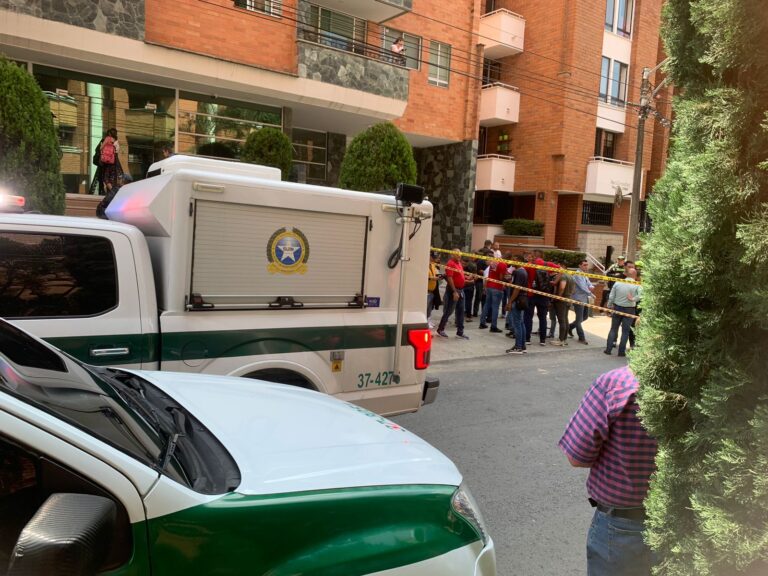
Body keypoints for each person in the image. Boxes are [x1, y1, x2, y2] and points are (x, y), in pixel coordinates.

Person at [559, 366, 657, 575]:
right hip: (682, 521)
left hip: (620, 526)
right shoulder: (707, 383)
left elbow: (576, 456)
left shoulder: (616, 384)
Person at [604, 262, 640, 357]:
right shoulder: (637, 285)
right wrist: (633, 299)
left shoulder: (618, 282)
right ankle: (621, 352)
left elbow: (611, 296)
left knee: (613, 329)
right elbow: (640, 296)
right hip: (629, 309)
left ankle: (608, 349)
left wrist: (609, 305)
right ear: (635, 275)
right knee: (625, 331)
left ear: (627, 274)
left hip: (617, 307)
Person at [436, 249, 469, 339]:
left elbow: (459, 275)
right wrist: (454, 291)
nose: (459, 256)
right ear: (452, 255)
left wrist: (465, 278)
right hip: (453, 291)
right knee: (448, 311)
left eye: (460, 254)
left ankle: (460, 331)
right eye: (457, 255)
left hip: (461, 290)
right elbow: (450, 278)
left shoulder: (458, 263)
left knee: (461, 311)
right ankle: (440, 329)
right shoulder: (450, 264)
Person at [478, 253, 508, 333]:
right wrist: (506, 279)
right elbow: (501, 277)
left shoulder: (493, 262)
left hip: (490, 286)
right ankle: (493, 326)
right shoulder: (503, 264)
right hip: (497, 287)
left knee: (487, 305)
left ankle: (482, 323)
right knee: (495, 307)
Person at [568, 259, 595, 344]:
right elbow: (583, 287)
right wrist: (591, 293)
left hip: (585, 298)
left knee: (585, 317)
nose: (586, 266)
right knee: (579, 319)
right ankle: (581, 337)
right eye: (584, 265)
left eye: (587, 265)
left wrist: (591, 286)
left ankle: (570, 327)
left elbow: (589, 283)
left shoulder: (584, 274)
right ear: (579, 266)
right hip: (578, 299)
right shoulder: (577, 274)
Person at [504, 262, 528, 354]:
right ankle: (522, 346)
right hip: (521, 300)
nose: (512, 262)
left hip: (517, 300)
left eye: (515, 260)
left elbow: (516, 288)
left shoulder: (517, 272)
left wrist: (510, 302)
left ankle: (518, 347)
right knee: (521, 323)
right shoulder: (524, 271)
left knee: (517, 324)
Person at [550, 264, 575, 346]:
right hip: (568, 298)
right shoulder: (570, 276)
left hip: (562, 300)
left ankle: (561, 340)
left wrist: (559, 297)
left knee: (562, 320)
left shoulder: (563, 276)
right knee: (565, 319)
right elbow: (574, 289)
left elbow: (562, 287)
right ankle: (564, 339)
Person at [529, 258, 551, 346]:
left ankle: (527, 338)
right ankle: (542, 340)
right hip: (544, 297)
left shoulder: (533, 271)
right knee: (543, 319)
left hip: (533, 296)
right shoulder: (547, 273)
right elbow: (549, 286)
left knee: (529, 317)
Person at [427, 251, 440, 329]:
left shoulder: (433, 265)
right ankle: (425, 321)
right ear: (429, 256)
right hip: (426, 290)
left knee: (430, 308)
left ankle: (428, 320)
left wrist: (438, 276)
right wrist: (432, 278)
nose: (434, 259)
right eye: (433, 258)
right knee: (426, 307)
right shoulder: (425, 264)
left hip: (432, 289)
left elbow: (434, 273)